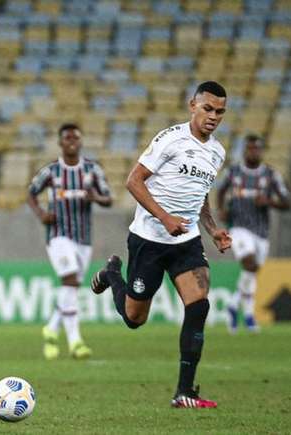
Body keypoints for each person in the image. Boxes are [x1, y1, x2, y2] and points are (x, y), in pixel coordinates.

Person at [90, 81, 232, 408]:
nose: (213, 117)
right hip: (149, 240)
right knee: (134, 318)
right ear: (192, 105)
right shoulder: (171, 139)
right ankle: (113, 274)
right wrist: (165, 217)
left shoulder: (217, 151)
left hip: (186, 241)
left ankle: (185, 392)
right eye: (207, 108)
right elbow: (133, 181)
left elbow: (201, 194)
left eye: (220, 112)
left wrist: (211, 230)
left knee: (199, 304)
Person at [27, 123, 112, 361]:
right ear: (61, 142)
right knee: (71, 279)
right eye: (67, 137)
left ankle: (52, 328)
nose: (72, 141)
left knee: (71, 287)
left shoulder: (92, 170)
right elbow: (31, 192)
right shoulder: (52, 171)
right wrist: (42, 214)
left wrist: (95, 197)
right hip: (58, 235)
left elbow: (108, 198)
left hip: (83, 238)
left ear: (81, 141)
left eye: (76, 137)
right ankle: (76, 342)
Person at [216, 134, 291, 334]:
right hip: (239, 227)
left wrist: (269, 202)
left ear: (261, 151)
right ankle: (248, 315)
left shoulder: (270, 175)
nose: (253, 152)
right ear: (244, 151)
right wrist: (221, 209)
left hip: (262, 232)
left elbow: (287, 202)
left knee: (252, 271)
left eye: (256, 149)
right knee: (249, 263)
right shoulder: (232, 172)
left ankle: (233, 305)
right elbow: (220, 191)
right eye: (249, 149)